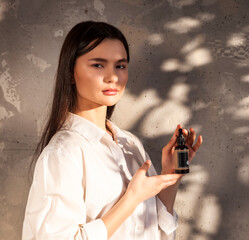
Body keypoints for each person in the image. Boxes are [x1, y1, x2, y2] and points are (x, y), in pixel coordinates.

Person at [22, 21, 203, 240]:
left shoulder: (130, 144)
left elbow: (156, 231)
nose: (113, 77)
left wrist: (170, 177)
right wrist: (131, 199)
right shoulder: (64, 152)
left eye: (120, 66)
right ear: (71, 72)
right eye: (98, 65)